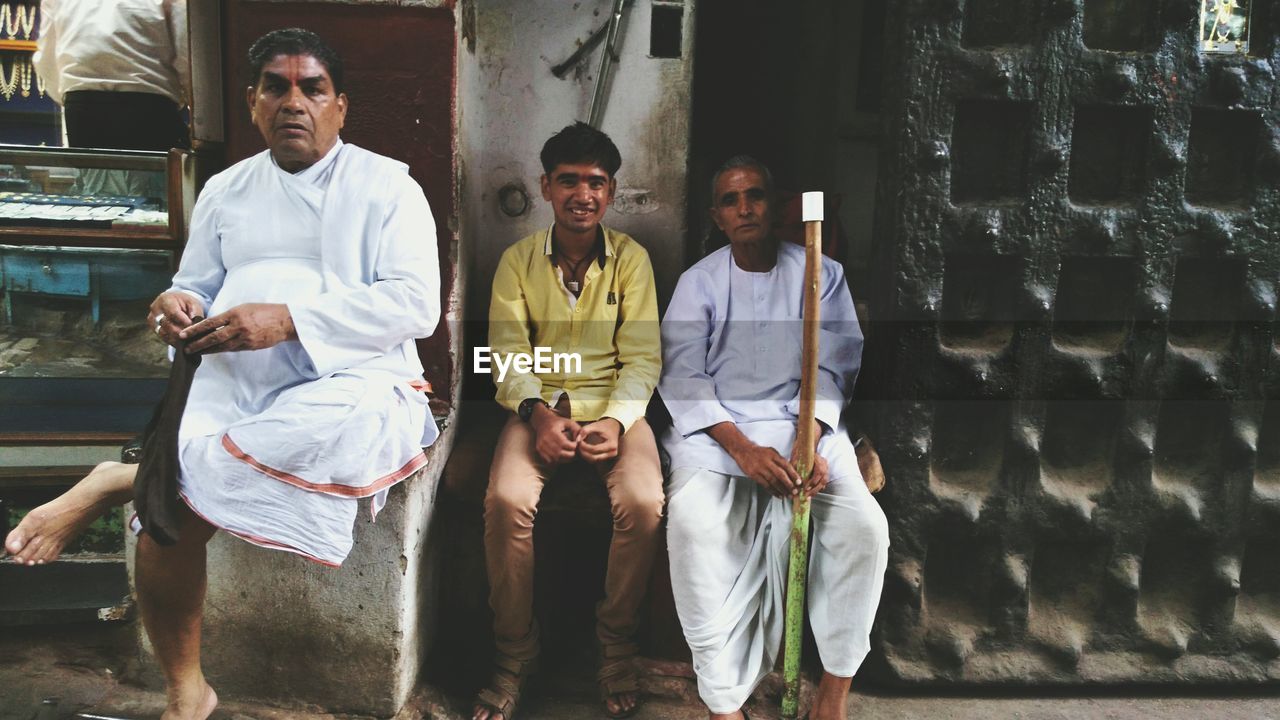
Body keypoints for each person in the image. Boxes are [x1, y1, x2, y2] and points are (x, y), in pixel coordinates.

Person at [9, 29, 441, 720]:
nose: (293, 101)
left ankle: (119, 477)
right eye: (276, 86)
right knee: (166, 524)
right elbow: (194, 286)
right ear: (252, 102)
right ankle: (188, 695)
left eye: (312, 88)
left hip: (351, 378)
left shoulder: (388, 187)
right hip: (231, 377)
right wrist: (174, 307)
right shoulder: (225, 190)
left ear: (340, 107)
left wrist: (291, 319)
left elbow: (415, 306)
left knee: (322, 429)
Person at [658, 156, 889, 720]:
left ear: (772, 202)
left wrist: (809, 438)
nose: (745, 209)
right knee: (692, 528)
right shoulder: (700, 282)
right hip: (718, 438)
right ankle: (722, 704)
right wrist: (743, 449)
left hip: (805, 429)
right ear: (717, 216)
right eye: (732, 201)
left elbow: (835, 365)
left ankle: (832, 697)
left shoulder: (820, 273)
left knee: (865, 530)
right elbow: (683, 375)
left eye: (755, 196)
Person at [475, 122, 663, 720]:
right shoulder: (517, 261)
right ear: (545, 187)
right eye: (569, 181)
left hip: (617, 409)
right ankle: (515, 655)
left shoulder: (632, 261)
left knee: (643, 502)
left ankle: (616, 648)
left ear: (611, 193)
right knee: (506, 500)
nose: (583, 194)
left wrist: (616, 420)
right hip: (538, 409)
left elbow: (643, 359)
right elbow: (504, 355)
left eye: (596, 182)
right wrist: (535, 415)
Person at [33, 0, 191, 151]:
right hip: (150, 106)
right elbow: (188, 55)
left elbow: (47, 59)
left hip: (82, 108)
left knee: (95, 176)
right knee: (156, 175)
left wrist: (68, 96)